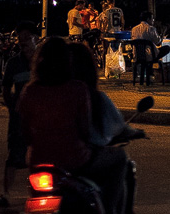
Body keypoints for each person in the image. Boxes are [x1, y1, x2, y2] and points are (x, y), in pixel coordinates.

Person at [14, 38, 100, 209]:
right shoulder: (78, 89)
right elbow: (85, 130)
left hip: (38, 159)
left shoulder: (30, 91)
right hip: (75, 159)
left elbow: (24, 131)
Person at [65, 42, 130, 214]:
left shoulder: (43, 94)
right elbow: (110, 128)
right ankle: (109, 208)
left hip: (44, 158)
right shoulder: (88, 95)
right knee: (120, 157)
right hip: (78, 158)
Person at [0, 23, 38, 208]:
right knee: (14, 155)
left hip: (41, 118)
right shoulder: (13, 63)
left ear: (35, 38)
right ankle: (6, 194)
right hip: (19, 118)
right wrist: (12, 107)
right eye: (20, 38)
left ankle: (40, 193)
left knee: (40, 156)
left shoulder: (43, 62)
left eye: (26, 38)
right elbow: (6, 88)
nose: (22, 42)